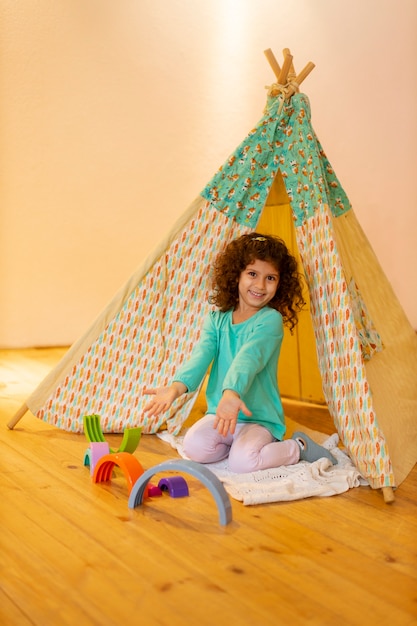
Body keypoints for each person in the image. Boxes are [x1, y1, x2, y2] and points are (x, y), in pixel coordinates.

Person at [144, 232, 336, 472]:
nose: (260, 285)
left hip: (259, 419)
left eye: (270, 278)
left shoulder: (270, 320)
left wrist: (232, 393)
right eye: (252, 274)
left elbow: (249, 358)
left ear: (280, 283)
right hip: (222, 413)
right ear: (237, 275)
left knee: (243, 463)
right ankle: (236, 445)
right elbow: (201, 356)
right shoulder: (217, 319)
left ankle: (297, 447)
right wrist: (176, 387)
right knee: (194, 448)